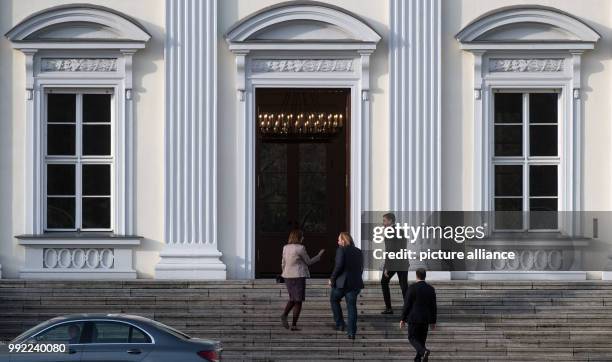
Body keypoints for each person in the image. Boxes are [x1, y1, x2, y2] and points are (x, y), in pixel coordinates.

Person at [281, 229, 325, 331]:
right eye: (302, 236)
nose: (303, 238)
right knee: (298, 301)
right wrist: (319, 256)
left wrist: (283, 273)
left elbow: (283, 262)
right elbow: (308, 262)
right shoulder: (300, 248)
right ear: (298, 237)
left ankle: (285, 316)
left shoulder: (285, 247)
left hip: (287, 276)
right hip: (298, 276)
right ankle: (293, 324)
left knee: (293, 298)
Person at [329, 232, 364, 340]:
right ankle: (351, 333)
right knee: (351, 307)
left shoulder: (341, 250)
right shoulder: (358, 251)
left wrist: (332, 279)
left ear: (343, 240)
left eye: (339, 240)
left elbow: (338, 266)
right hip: (355, 284)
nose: (338, 242)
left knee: (334, 299)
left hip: (341, 284)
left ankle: (340, 324)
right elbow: (361, 267)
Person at [400, 268, 437, 362]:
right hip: (425, 319)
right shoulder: (430, 289)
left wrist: (402, 319)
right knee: (421, 341)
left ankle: (424, 352)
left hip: (414, 318)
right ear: (425, 276)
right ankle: (418, 358)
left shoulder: (412, 288)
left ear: (416, 275)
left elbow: (407, 304)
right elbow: (433, 306)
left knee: (411, 337)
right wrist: (433, 321)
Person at [380, 212, 409, 314]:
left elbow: (390, 249)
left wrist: (387, 266)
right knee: (404, 285)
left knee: (384, 282)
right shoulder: (401, 231)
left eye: (384, 220)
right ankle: (408, 309)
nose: (383, 223)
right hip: (403, 262)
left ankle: (389, 308)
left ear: (390, 221)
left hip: (393, 263)